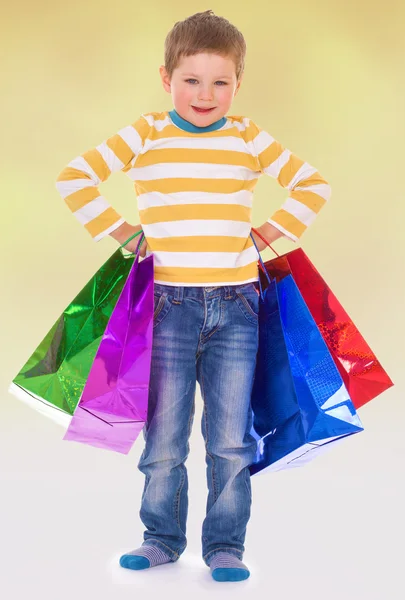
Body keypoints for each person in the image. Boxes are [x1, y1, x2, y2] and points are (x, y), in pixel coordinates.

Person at [55, 10, 331, 583]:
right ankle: (160, 538)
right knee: (164, 437)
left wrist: (268, 234)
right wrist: (122, 231)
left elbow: (313, 184)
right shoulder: (147, 133)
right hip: (166, 308)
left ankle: (225, 545)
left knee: (230, 439)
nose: (205, 94)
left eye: (220, 82)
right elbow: (75, 177)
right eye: (191, 80)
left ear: (238, 83)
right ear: (165, 78)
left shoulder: (247, 136)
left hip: (236, 309)